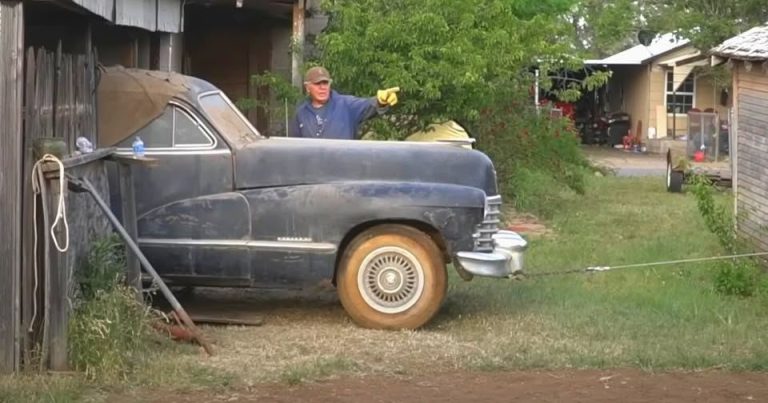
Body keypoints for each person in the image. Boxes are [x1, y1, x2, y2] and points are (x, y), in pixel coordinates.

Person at [289, 66, 400, 139]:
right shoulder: (301, 113)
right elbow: (294, 148)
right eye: (318, 84)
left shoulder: (346, 105)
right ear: (308, 87)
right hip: (313, 171)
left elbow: (367, 104)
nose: (322, 88)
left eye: (325, 83)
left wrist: (380, 101)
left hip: (344, 169)